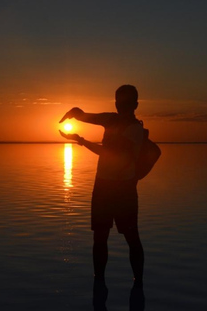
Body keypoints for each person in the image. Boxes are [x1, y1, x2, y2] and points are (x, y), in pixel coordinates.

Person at [59, 85, 145, 292]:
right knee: (101, 236)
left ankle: (138, 283)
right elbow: (88, 116)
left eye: (124, 102)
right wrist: (75, 113)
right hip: (104, 186)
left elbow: (108, 154)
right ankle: (100, 281)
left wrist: (80, 140)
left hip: (121, 189)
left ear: (134, 105)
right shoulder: (111, 119)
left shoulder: (135, 129)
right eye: (119, 102)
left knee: (130, 237)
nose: (120, 105)